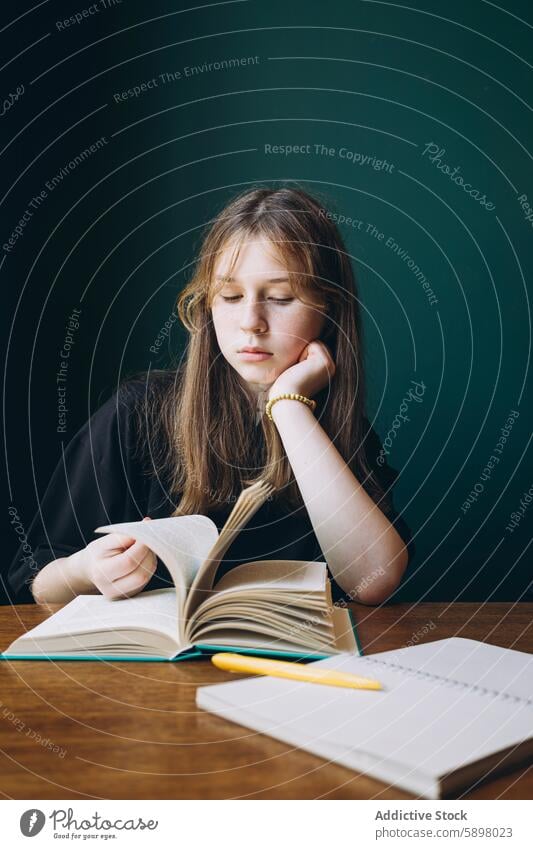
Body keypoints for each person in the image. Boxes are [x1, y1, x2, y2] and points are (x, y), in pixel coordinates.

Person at [7, 186, 415, 608]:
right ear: (207, 303)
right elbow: (34, 577)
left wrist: (290, 406)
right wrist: (85, 570)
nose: (250, 322)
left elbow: (374, 580)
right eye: (231, 296)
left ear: (327, 309)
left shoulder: (337, 430)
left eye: (280, 298)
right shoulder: (137, 412)